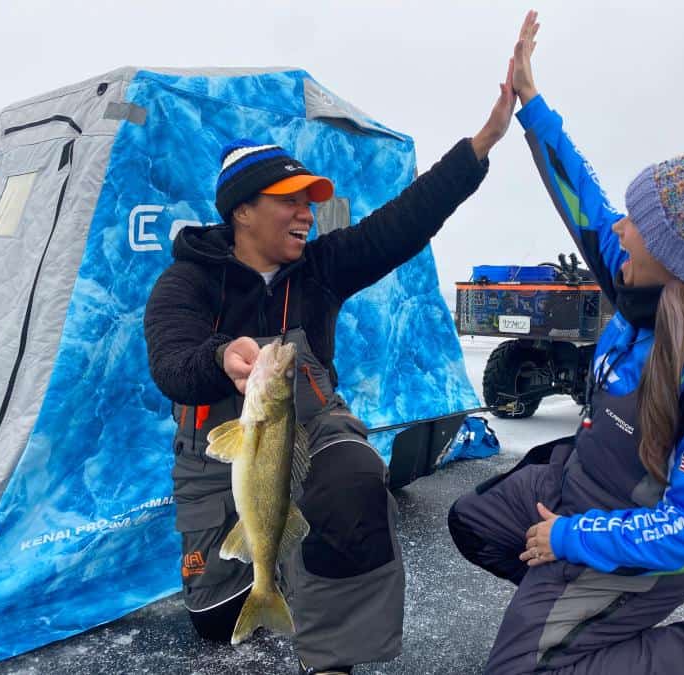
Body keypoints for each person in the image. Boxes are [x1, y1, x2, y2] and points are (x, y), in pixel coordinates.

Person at [448, 11, 684, 675]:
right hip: (582, 486)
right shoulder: (639, 276)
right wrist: (531, 100)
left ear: (676, 255)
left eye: (637, 222)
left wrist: (569, 537)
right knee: (471, 521)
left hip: (642, 540)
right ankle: (567, 616)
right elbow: (582, 194)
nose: (619, 226)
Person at [143, 65, 517, 675]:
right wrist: (217, 358)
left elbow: (406, 220)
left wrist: (483, 144)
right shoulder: (185, 282)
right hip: (220, 453)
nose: (307, 213)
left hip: (312, 430)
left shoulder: (322, 268)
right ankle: (284, 570)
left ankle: (334, 658)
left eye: (310, 202)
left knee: (352, 481)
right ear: (241, 211)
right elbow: (171, 365)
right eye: (289, 201)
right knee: (217, 621)